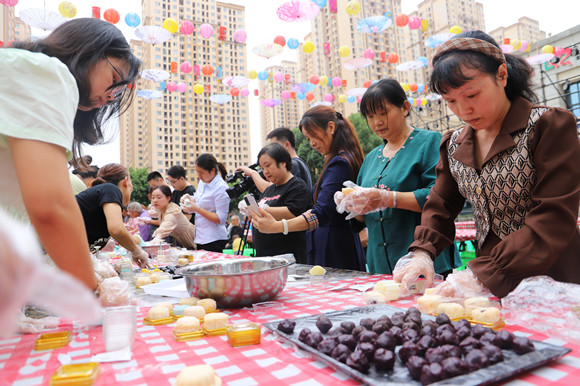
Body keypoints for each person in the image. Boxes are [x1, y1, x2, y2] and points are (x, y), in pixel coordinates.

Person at [393, 30, 580, 299]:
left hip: (553, 278)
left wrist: (483, 273)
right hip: (487, 284)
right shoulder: (454, 143)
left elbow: (554, 216)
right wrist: (422, 251)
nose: (463, 110)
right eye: (451, 101)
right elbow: (440, 206)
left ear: (501, 75)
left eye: (472, 95)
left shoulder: (546, 126)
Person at [0, 18, 141, 295]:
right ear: (88, 50)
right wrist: (92, 289)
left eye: (118, 91)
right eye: (113, 80)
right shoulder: (49, 73)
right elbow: (50, 207)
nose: (110, 97)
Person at [335, 78, 460, 276]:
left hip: (425, 261)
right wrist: (352, 204)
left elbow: (439, 197)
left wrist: (388, 198)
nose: (378, 122)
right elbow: (363, 218)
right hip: (380, 265)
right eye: (370, 116)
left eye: (383, 113)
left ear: (404, 107)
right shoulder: (370, 159)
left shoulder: (429, 142)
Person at [252, 106, 366, 271]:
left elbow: (321, 212)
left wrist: (278, 226)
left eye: (313, 136)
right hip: (332, 242)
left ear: (331, 127)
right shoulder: (339, 159)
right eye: (307, 138)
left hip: (333, 247)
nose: (312, 143)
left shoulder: (339, 164)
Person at [246, 143, 313, 263]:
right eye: (262, 168)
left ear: (283, 162)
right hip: (265, 258)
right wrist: (252, 211)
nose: (265, 172)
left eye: (268, 166)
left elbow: (294, 212)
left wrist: (261, 209)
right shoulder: (269, 189)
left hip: (289, 259)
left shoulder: (297, 185)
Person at [76, 164, 150, 267]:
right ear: (125, 181)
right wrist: (137, 251)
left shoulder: (103, 196)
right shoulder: (111, 189)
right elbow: (117, 229)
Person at [181, 154, 230, 252]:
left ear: (212, 170)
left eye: (201, 172)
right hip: (200, 236)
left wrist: (197, 209)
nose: (199, 176)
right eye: (197, 172)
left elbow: (221, 219)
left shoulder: (221, 188)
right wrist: (189, 199)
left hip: (214, 238)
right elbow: (199, 200)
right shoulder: (203, 183)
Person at [150, 185, 196, 249]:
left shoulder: (172, 211)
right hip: (179, 241)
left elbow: (167, 223)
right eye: (153, 197)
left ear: (168, 198)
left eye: (159, 197)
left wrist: (158, 236)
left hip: (191, 239)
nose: (155, 200)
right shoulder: (161, 208)